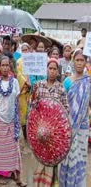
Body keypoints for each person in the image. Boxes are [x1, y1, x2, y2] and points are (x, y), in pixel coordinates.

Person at [31, 58, 68, 187]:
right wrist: (34, 94)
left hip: (55, 135)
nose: (52, 71)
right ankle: (39, 184)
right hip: (40, 131)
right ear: (46, 69)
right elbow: (33, 107)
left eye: (54, 69)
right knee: (41, 157)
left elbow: (65, 111)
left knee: (52, 160)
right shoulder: (39, 85)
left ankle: (51, 183)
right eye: (50, 68)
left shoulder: (61, 89)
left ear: (58, 72)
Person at [0, 55, 25, 186]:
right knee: (1, 149)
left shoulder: (14, 82)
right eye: (2, 65)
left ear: (10, 67)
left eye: (7, 65)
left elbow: (17, 101)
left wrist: (19, 120)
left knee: (14, 148)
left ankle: (18, 175)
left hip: (12, 120)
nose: (5, 68)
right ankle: (3, 174)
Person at [59, 49, 90, 187]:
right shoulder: (67, 81)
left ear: (85, 63)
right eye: (77, 60)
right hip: (67, 127)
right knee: (67, 157)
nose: (79, 63)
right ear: (73, 62)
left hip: (82, 127)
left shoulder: (88, 82)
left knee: (80, 157)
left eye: (81, 60)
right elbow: (60, 104)